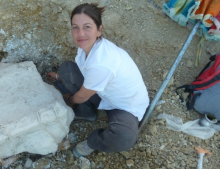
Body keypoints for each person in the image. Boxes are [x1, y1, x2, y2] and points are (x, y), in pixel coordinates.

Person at [47, 3, 149, 158]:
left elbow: (82, 95)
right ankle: (88, 114)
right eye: (75, 27)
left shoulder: (102, 62)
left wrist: (69, 100)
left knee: (124, 138)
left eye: (87, 27)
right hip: (104, 93)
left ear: (99, 30)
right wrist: (61, 77)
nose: (80, 33)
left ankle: (92, 142)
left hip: (124, 106)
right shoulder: (87, 48)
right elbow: (84, 72)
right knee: (67, 70)